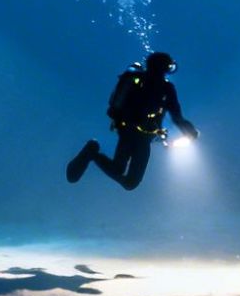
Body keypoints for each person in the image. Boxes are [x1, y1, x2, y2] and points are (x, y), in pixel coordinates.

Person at [66, 50, 197, 191]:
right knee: (128, 180)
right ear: (166, 67)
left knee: (125, 176)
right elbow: (177, 117)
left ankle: (91, 152)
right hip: (134, 133)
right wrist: (190, 131)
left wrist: (188, 131)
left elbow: (176, 116)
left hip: (134, 133)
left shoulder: (142, 81)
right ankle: (91, 152)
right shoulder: (165, 88)